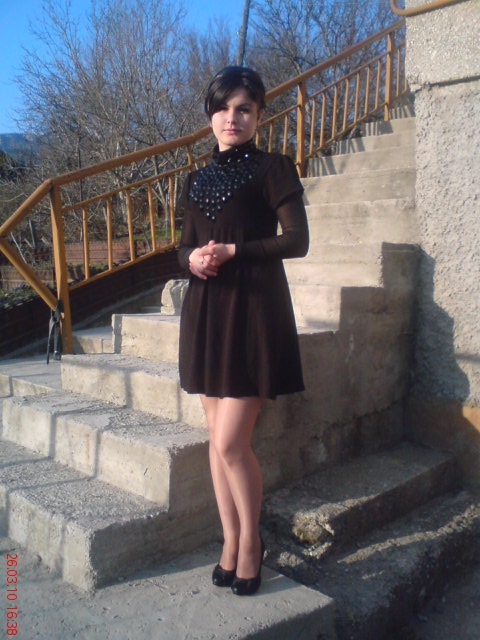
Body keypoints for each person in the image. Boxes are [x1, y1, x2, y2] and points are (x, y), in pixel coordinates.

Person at [177, 66, 309, 596]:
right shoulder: (194, 179)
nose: (232, 118)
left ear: (258, 115)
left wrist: (234, 250)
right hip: (207, 311)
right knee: (216, 442)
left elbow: (297, 240)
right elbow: (182, 246)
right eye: (223, 108)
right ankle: (229, 541)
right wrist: (191, 261)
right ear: (210, 115)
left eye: (244, 109)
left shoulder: (273, 167)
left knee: (232, 442)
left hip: (254, 312)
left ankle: (252, 542)